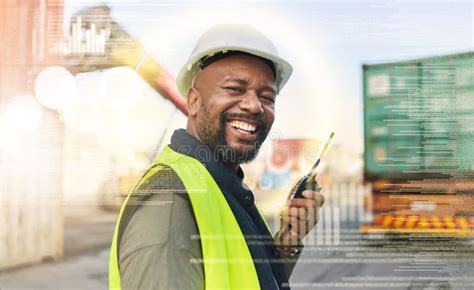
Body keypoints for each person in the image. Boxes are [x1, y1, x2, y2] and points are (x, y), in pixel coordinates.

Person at [109, 24, 325, 290]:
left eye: (267, 97)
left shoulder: (222, 186)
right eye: (235, 89)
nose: (254, 105)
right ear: (194, 101)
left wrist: (287, 243)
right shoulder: (170, 205)